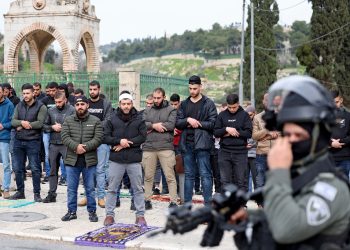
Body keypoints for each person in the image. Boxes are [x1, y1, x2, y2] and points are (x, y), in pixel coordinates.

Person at [231, 75, 350, 249]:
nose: (291, 141)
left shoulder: (331, 187)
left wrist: (278, 171)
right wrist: (245, 219)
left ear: (319, 137)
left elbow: (286, 229)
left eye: (299, 135)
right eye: (287, 135)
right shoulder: (296, 176)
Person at [103, 93, 147, 227]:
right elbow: (105, 137)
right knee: (112, 188)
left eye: (128, 104)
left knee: (138, 189)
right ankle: (109, 215)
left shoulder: (140, 118)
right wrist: (118, 141)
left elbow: (142, 137)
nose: (126, 106)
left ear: (132, 104)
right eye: (124, 104)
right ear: (120, 104)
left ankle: (140, 216)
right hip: (116, 160)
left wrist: (124, 144)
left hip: (134, 159)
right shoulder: (111, 118)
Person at [176, 75, 217, 206]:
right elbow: (177, 122)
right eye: (190, 88)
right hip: (187, 144)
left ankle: (208, 205)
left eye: (194, 88)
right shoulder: (184, 104)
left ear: (200, 87)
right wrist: (188, 120)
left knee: (205, 174)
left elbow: (213, 123)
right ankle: (187, 205)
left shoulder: (208, 103)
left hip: (203, 144)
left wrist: (197, 123)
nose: (192, 91)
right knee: (189, 175)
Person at [61, 96, 103, 222]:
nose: (80, 107)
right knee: (71, 188)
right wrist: (76, 147)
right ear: (75, 106)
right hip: (72, 160)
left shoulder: (95, 121)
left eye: (82, 104)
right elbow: (64, 136)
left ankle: (92, 212)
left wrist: (84, 147)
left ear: (87, 105)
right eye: (78, 104)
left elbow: (99, 138)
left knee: (90, 188)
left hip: (88, 160)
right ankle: (71, 212)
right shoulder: (68, 120)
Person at [9, 83, 47, 202]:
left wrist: (24, 125)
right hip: (18, 141)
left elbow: (40, 123)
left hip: (33, 141)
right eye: (24, 93)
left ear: (33, 93)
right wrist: (21, 122)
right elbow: (13, 121)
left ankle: (37, 194)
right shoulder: (19, 105)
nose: (25, 95)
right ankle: (20, 192)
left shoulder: (41, 107)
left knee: (35, 168)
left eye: (27, 93)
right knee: (18, 168)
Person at [77, 80, 112, 208]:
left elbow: (108, 121)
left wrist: (92, 126)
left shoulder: (106, 103)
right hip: (87, 142)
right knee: (88, 170)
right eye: (90, 89)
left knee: (100, 170)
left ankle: (101, 197)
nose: (92, 92)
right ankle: (88, 196)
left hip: (102, 141)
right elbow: (81, 119)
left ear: (99, 89)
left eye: (95, 89)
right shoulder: (85, 103)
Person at [142, 87, 178, 209]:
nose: (156, 100)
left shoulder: (171, 110)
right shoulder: (147, 110)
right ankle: (147, 200)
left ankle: (173, 201)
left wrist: (153, 126)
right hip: (149, 147)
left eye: (158, 98)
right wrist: (154, 125)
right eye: (154, 98)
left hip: (165, 147)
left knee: (170, 176)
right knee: (148, 176)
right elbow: (142, 124)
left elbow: (171, 125)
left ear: (164, 97)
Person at [214, 94, 252, 192]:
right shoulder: (222, 115)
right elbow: (216, 132)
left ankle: (241, 205)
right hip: (224, 152)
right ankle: (227, 205)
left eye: (234, 107)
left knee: (240, 181)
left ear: (238, 104)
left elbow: (248, 133)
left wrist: (234, 132)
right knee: (225, 181)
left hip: (240, 153)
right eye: (229, 107)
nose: (232, 109)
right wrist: (226, 129)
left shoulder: (244, 115)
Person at [42, 92, 75, 203]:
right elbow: (44, 126)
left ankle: (71, 195)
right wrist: (52, 127)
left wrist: (65, 127)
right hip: (54, 144)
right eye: (56, 102)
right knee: (52, 170)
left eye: (60, 101)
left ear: (65, 99)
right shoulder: (51, 110)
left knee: (70, 170)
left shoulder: (72, 110)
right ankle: (52, 194)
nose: (58, 104)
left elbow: (77, 126)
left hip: (67, 144)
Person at [252, 93, 280, 188]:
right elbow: (254, 136)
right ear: (263, 102)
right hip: (261, 154)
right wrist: (267, 130)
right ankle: (261, 203)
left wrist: (267, 137)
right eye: (266, 100)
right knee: (260, 181)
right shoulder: (257, 117)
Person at [41, 81, 59, 183]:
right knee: (48, 155)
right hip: (47, 131)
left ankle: (63, 176)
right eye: (50, 90)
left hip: (59, 131)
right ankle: (48, 174)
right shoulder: (45, 101)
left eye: (54, 90)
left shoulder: (62, 99)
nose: (52, 92)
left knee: (61, 158)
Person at [330, 90, 350, 179]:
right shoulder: (324, 117)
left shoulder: (348, 116)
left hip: (345, 158)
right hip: (328, 157)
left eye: (336, 102)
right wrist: (331, 143)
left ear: (341, 100)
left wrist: (340, 142)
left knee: (344, 184)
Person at [0, 84, 15, 199]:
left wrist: (3, 125)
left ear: (3, 92)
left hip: (4, 138)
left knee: (6, 165)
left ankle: (6, 189)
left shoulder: (9, 105)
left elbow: (13, 123)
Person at [245, 105, 257, 192]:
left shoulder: (257, 123)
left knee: (256, 178)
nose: (249, 117)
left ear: (254, 114)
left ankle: (259, 201)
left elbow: (259, 137)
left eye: (250, 115)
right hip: (245, 154)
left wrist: (251, 144)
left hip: (255, 154)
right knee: (244, 179)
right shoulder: (243, 122)